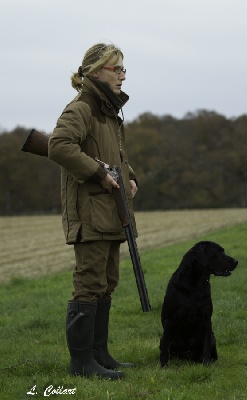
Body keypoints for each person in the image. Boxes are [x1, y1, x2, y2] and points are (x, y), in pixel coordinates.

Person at [48, 43, 138, 380]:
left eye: (123, 69)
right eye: (117, 69)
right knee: (89, 284)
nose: (123, 75)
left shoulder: (108, 112)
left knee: (106, 283)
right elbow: (59, 146)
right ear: (97, 70)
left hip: (110, 211)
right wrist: (99, 173)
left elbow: (115, 156)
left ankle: (99, 356)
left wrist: (129, 177)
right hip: (90, 213)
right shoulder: (82, 107)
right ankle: (82, 365)